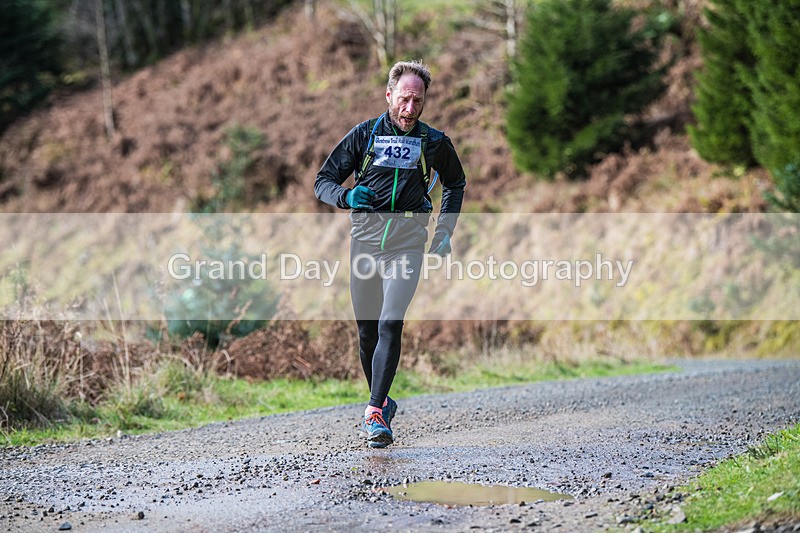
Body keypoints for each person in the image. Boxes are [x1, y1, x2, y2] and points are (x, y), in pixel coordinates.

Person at [314, 60, 466, 448]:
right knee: (367, 332)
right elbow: (323, 181)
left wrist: (445, 230)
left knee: (390, 322)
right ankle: (382, 401)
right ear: (389, 95)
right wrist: (347, 196)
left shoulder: (434, 143)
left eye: (418, 101)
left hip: (407, 243)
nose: (410, 109)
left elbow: (456, 183)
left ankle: (374, 413)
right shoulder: (364, 136)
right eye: (404, 99)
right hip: (365, 242)